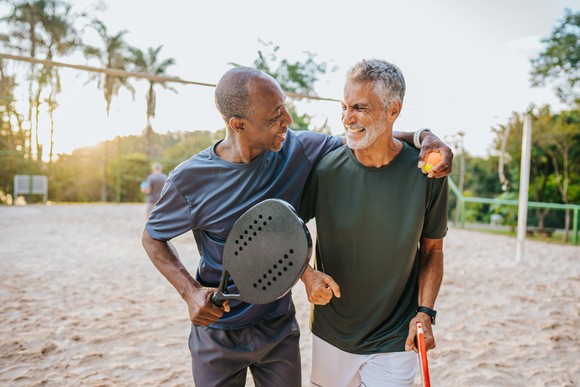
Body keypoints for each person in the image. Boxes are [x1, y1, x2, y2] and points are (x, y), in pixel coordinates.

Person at [141, 66, 451, 386]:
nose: (287, 119)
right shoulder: (191, 179)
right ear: (239, 125)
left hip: (278, 328)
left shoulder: (298, 149)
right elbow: (153, 238)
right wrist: (189, 292)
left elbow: (367, 136)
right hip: (217, 332)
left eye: (284, 107)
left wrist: (425, 137)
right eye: (276, 115)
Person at [300, 59, 448, 387]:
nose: (347, 118)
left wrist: (425, 311)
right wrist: (307, 276)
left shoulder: (427, 172)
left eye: (359, 108)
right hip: (331, 333)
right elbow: (289, 228)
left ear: (392, 111)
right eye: (344, 106)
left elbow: (433, 250)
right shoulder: (325, 168)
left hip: (396, 336)